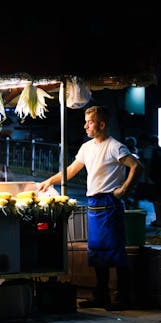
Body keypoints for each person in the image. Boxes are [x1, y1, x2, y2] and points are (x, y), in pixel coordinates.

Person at [38, 105, 143, 310]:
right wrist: (50, 181)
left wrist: (123, 190)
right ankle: (101, 295)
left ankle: (123, 297)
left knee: (115, 251)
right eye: (85, 121)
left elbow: (137, 166)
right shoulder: (87, 148)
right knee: (96, 252)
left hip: (110, 204)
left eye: (90, 122)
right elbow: (71, 170)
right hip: (94, 204)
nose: (85, 126)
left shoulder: (115, 146)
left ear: (102, 124)